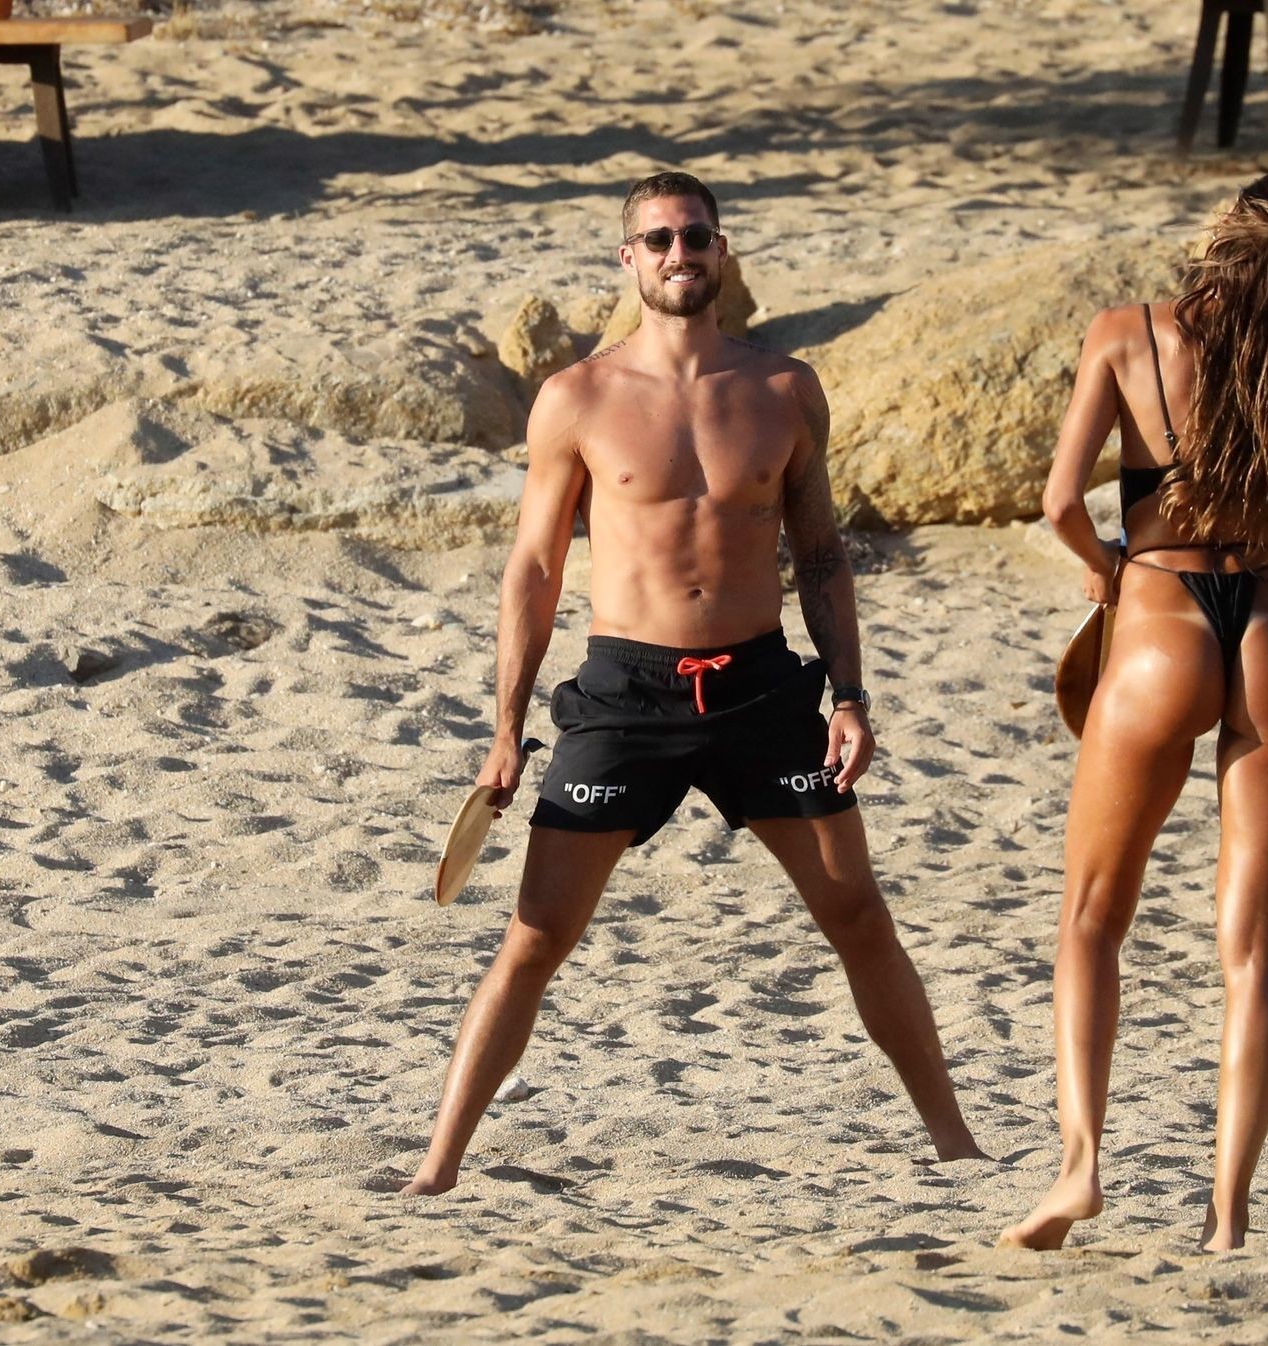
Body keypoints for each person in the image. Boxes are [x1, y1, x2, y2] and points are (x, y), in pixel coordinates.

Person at [403, 171, 984, 1195]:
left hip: (762, 690)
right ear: (628, 258)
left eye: (698, 236)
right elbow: (534, 569)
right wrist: (505, 727)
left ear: (724, 252)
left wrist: (850, 695)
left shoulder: (784, 389)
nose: (682, 253)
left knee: (859, 918)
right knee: (536, 935)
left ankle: (958, 1145)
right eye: (661, 239)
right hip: (626, 694)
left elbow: (822, 552)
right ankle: (438, 1165)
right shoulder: (578, 398)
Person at [1001, 168, 1268, 1251]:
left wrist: (1106, 569)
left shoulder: (1128, 332)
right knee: (1254, 950)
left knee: (1093, 917)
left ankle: (1080, 1167)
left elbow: (1060, 503)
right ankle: (1228, 1217)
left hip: (1161, 612)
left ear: (1225, 231)